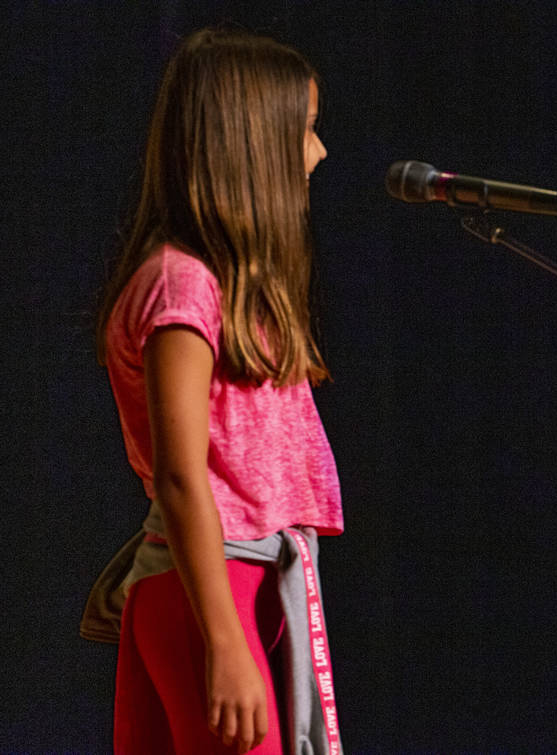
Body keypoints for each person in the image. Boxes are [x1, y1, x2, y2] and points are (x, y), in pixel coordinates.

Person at [84, 28, 342, 754]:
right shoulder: (183, 285)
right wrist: (224, 639)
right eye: (306, 131)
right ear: (252, 144)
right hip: (211, 590)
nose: (319, 153)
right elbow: (179, 472)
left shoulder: (218, 287)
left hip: (226, 589)